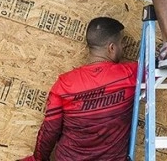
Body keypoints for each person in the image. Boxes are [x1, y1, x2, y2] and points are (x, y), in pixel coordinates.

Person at [21, 17, 136, 161]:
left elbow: (50, 130)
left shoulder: (63, 84)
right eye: (121, 44)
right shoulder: (130, 74)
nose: (123, 49)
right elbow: (161, 69)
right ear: (111, 48)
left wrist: (38, 159)